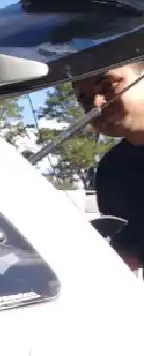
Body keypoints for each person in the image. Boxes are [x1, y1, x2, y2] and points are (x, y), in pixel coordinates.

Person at [74, 63, 144, 271]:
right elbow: (127, 258)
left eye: (108, 86)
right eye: (84, 99)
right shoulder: (111, 170)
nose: (96, 105)